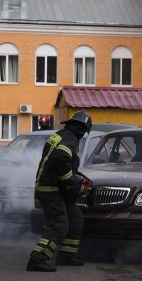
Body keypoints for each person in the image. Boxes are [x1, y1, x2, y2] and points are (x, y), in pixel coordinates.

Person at [27, 110, 92, 272]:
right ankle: (37, 259)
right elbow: (59, 159)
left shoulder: (61, 135)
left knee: (75, 220)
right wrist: (70, 179)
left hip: (58, 190)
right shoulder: (70, 139)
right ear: (81, 130)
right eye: (83, 132)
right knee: (59, 225)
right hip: (50, 189)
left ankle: (66, 256)